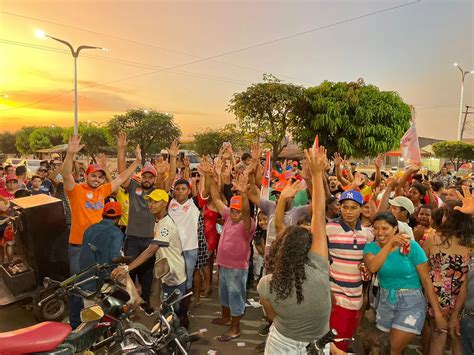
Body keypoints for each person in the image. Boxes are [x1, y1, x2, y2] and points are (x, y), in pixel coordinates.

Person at [62, 134, 142, 329]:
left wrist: (137, 161)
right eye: (93, 175)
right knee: (78, 289)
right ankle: (75, 327)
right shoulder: (77, 191)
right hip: (79, 248)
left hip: (99, 248)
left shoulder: (102, 191)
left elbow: (122, 178)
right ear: (86, 176)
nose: (97, 179)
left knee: (101, 287)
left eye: (100, 176)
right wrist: (70, 154)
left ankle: (97, 325)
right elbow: (66, 175)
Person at [257, 146, 330, 355]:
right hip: (317, 345)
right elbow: (319, 216)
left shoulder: (267, 283)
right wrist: (316, 175)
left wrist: (282, 199)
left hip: (282, 344)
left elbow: (272, 316)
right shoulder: (319, 268)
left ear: (281, 248)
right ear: (310, 249)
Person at [363, 212, 447, 355]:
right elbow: (373, 267)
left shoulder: (411, 247)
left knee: (392, 349)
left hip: (411, 303)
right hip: (385, 302)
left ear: (395, 229)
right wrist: (390, 244)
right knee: (387, 349)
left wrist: (438, 314)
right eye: (376, 228)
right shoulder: (370, 248)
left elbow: (426, 281)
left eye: (385, 228)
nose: (379, 232)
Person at [117, 134, 178, 316]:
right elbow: (122, 173)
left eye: (151, 177)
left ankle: (145, 303)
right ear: (141, 176)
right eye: (146, 176)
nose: (148, 179)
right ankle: (129, 303)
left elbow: (171, 177)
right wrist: (121, 149)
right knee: (130, 273)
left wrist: (173, 158)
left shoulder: (157, 193)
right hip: (132, 238)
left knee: (147, 275)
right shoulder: (133, 187)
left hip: (150, 240)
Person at [112, 189, 187, 315]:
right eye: (150, 201)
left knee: (175, 312)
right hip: (167, 274)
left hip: (175, 275)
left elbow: (151, 250)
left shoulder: (166, 224)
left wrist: (127, 268)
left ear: (164, 203)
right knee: (168, 310)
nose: (151, 204)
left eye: (156, 202)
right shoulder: (158, 221)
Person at [209, 171, 256, 342]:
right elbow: (216, 199)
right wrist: (210, 177)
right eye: (233, 210)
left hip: (237, 268)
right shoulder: (228, 216)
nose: (235, 214)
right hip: (223, 264)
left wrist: (243, 193)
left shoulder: (248, 224)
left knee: (236, 296)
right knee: (224, 294)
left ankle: (235, 328)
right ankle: (226, 317)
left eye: (238, 211)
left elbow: (245, 210)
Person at [327, 188, 373, 352]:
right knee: (335, 343)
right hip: (336, 298)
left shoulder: (368, 234)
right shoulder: (329, 229)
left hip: (356, 299)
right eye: (345, 207)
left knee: (345, 340)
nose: (348, 211)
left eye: (353, 207)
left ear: (361, 209)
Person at [422, 201, 472, 355]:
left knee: (440, 336)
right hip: (462, 299)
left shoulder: (433, 239)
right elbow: (465, 282)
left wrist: (437, 311)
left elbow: (425, 274)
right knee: (457, 337)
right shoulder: (470, 243)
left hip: (437, 298)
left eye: (445, 214)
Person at [79, 201, 124, 292]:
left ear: (103, 215)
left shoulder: (89, 228)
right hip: (101, 279)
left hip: (84, 275)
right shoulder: (116, 232)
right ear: (119, 217)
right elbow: (114, 258)